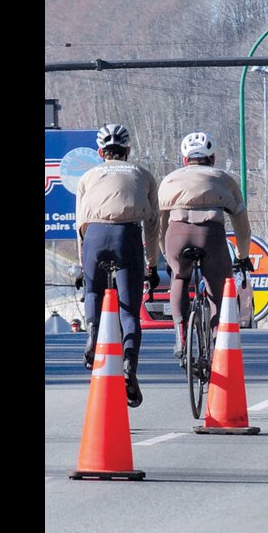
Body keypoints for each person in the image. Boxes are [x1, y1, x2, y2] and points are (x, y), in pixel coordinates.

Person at [74, 123, 161, 408]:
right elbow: (152, 224)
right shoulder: (143, 175)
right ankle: (129, 367)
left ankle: (91, 331)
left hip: (94, 237)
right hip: (127, 237)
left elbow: (80, 226)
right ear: (128, 151)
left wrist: (82, 266)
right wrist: (151, 265)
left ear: (100, 152)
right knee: (129, 310)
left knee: (94, 292)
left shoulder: (87, 176)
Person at [158, 131, 253, 363]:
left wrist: (164, 254)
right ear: (212, 159)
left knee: (180, 278)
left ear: (184, 160)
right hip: (210, 233)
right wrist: (242, 255)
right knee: (218, 289)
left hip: (176, 235)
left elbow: (158, 222)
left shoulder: (170, 179)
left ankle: (180, 334)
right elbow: (241, 220)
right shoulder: (223, 178)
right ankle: (217, 339)